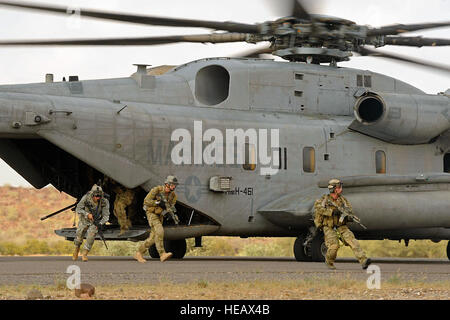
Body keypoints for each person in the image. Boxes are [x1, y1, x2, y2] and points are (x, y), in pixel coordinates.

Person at [313, 179, 371, 270]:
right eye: (339, 187)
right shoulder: (323, 200)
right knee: (334, 246)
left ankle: (364, 261)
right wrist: (332, 212)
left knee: (352, 241)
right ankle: (329, 261)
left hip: (341, 226)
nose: (341, 189)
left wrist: (349, 217)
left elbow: (349, 211)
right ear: (334, 189)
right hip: (329, 226)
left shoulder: (343, 200)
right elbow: (318, 208)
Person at [134, 175, 179, 263]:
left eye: (175, 185)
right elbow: (146, 201)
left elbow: (171, 207)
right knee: (160, 231)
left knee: (153, 238)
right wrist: (157, 202)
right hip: (151, 213)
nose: (174, 186)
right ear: (167, 184)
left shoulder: (173, 196)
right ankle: (162, 254)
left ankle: (139, 253)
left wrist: (169, 214)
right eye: (173, 185)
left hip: (160, 215)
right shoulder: (157, 190)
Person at [72, 184, 110, 262]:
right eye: (96, 196)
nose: (98, 198)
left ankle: (85, 254)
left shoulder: (104, 201)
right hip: (84, 220)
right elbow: (78, 208)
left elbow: (106, 216)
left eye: (99, 196)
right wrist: (87, 214)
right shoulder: (86, 198)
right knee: (79, 235)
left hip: (95, 222)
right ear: (92, 195)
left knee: (91, 236)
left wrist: (100, 223)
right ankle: (76, 249)